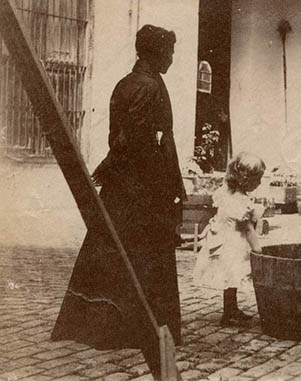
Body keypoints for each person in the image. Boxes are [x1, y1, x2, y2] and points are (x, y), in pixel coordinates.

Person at [51, 25, 186, 376]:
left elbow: (126, 138)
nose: (172, 58)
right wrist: (159, 181)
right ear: (155, 52)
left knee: (113, 247)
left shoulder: (130, 82)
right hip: (141, 188)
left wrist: (114, 167)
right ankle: (130, 326)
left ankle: (109, 326)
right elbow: (134, 139)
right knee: (140, 254)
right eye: (169, 52)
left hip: (128, 185)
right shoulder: (148, 85)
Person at [193, 152, 265, 327]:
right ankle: (228, 313)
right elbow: (247, 229)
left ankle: (231, 308)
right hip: (233, 245)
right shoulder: (241, 200)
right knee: (233, 276)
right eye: (257, 179)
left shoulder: (226, 192)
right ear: (245, 179)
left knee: (230, 278)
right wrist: (259, 251)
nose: (259, 183)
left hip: (222, 239)